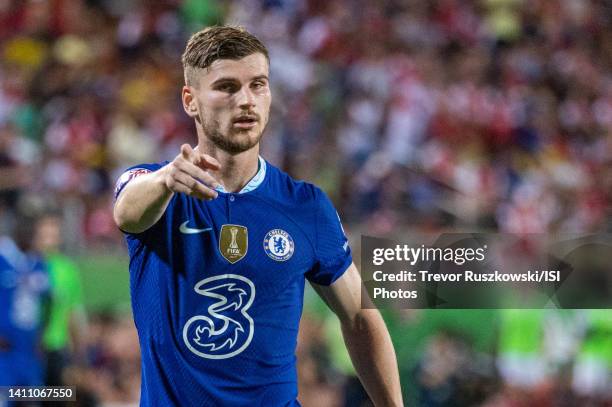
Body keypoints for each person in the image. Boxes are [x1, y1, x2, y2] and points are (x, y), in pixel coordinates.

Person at [113, 25, 402, 406]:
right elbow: (127, 213)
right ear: (190, 100)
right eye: (227, 87)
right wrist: (167, 179)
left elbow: (360, 319)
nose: (246, 101)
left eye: (258, 85)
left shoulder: (306, 205)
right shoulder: (160, 189)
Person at [34, 213, 87, 389]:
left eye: (53, 236)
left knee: (58, 396)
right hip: (29, 348)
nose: (49, 241)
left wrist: (78, 358)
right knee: (24, 396)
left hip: (57, 347)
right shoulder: (26, 265)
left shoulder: (67, 269)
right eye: (44, 236)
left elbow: (73, 313)